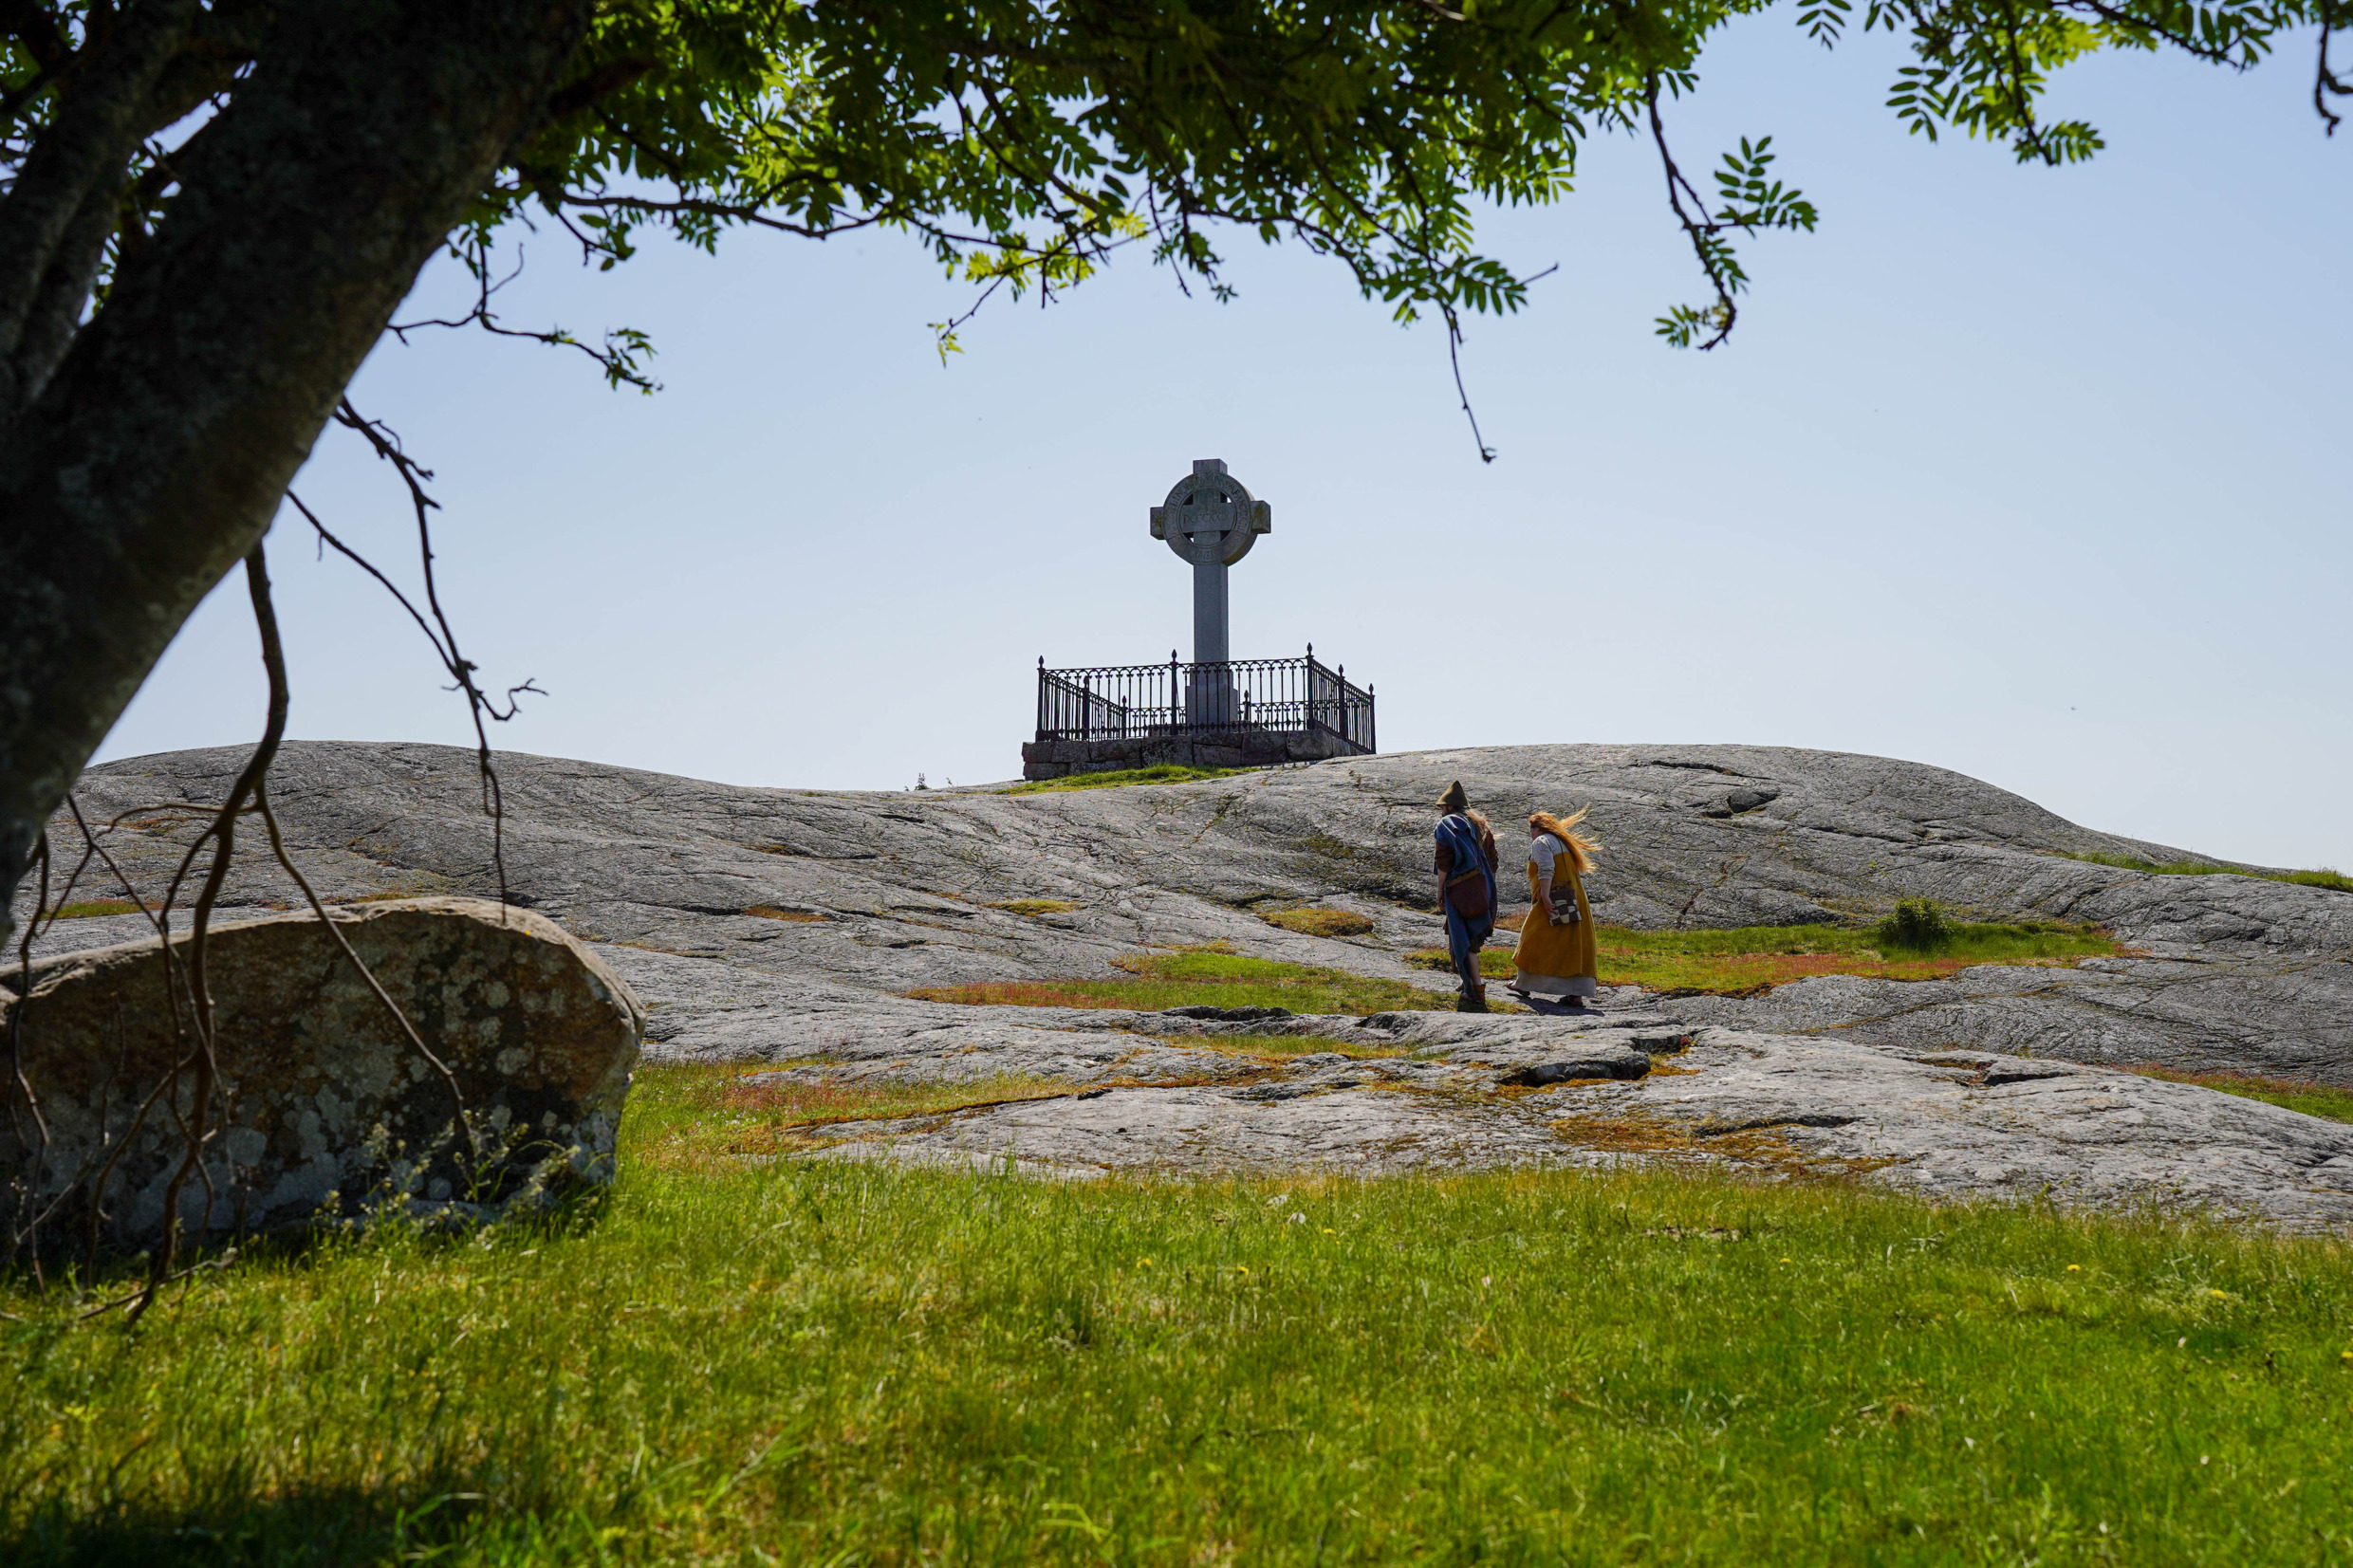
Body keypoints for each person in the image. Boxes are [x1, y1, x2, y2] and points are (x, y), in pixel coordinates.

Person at [1509, 807, 1602, 1009]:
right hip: (1574, 899)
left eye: (1531, 830)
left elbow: (1546, 868)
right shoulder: (1564, 843)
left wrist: (1544, 895)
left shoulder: (1541, 842)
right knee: (1573, 944)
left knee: (1532, 939)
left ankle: (1523, 984)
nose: (1530, 834)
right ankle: (1575, 994)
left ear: (1537, 829)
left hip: (1553, 899)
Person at [1432, 781, 1499, 1011]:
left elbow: (1444, 863)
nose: (1441, 811)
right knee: (1470, 935)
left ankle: (1475, 990)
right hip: (1484, 886)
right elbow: (1493, 861)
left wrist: (1440, 891)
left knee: (1464, 938)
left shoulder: (1447, 825)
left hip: (1460, 888)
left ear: (1450, 807)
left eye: (1442, 807)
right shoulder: (1481, 826)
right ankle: (1466, 981)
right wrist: (1484, 885)